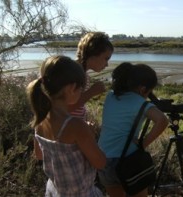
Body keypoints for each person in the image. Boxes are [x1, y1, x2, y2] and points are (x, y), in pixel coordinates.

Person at [26, 55, 106, 196]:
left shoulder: (40, 119)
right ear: (72, 88)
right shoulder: (76, 125)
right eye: (81, 89)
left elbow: (39, 155)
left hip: (55, 191)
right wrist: (90, 134)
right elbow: (100, 163)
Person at [98, 62, 169, 197]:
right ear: (143, 89)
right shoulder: (140, 102)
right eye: (149, 92)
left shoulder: (111, 96)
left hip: (103, 158)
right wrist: (143, 143)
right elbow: (162, 120)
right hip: (127, 160)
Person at [70, 31, 114, 122]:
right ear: (93, 53)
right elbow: (65, 108)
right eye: (106, 59)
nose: (107, 65)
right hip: (65, 133)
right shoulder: (72, 73)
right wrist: (92, 92)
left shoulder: (81, 73)